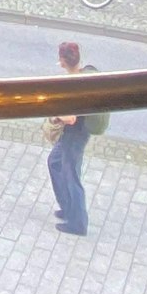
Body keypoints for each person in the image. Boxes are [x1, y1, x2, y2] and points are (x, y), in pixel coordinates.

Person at [47, 41, 103, 236]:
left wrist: (54, 114)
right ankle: (68, 208)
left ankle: (78, 223)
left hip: (75, 135)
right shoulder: (82, 76)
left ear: (62, 61)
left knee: (72, 175)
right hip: (76, 133)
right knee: (54, 162)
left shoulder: (73, 85)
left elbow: (70, 118)